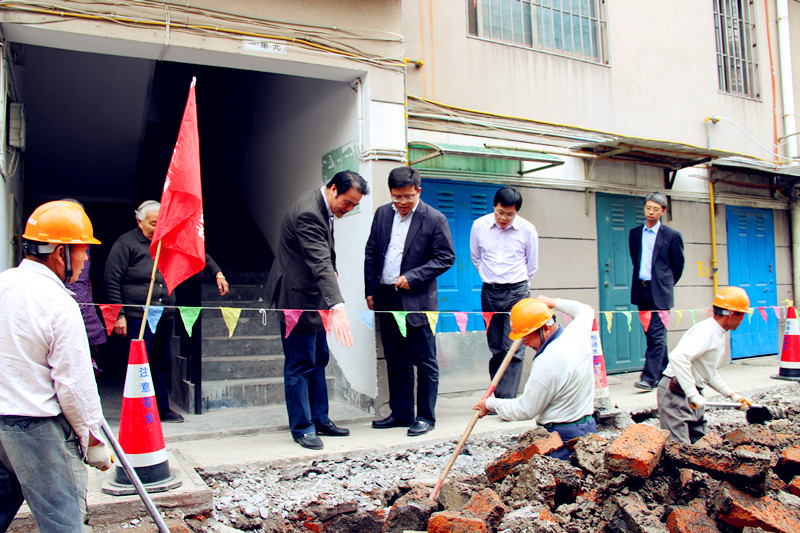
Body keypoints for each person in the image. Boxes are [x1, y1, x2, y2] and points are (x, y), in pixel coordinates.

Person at [0, 201, 113, 532]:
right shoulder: (59, 302)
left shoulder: (4, 283)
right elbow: (74, 384)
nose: (86, 259)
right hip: (35, 427)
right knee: (63, 523)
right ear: (60, 253)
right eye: (82, 250)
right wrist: (92, 439)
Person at [265, 171, 369, 450]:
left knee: (320, 358)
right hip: (297, 299)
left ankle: (320, 419)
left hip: (315, 297)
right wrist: (338, 306)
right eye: (348, 202)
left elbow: (325, 257)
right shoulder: (308, 213)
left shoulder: (324, 207)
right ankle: (302, 428)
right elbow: (319, 259)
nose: (349, 209)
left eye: (355, 205)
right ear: (333, 189)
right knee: (299, 364)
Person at [103, 200, 229, 423]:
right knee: (138, 364)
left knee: (161, 362)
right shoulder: (126, 243)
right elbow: (111, 280)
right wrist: (119, 314)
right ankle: (137, 411)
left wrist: (217, 273)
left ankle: (161, 408)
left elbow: (196, 252)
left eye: (161, 222)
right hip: (138, 314)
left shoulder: (169, 240)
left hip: (164, 313)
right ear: (139, 221)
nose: (158, 227)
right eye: (153, 223)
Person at [365, 166, 455, 437]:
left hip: (417, 300)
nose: (402, 202)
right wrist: (370, 290)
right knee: (395, 357)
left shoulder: (435, 218)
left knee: (425, 360)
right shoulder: (382, 213)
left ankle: (425, 417)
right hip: (386, 296)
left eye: (407, 196)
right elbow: (371, 251)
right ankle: (401, 413)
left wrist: (413, 277)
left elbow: (445, 257)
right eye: (396, 197)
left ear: (418, 191)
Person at [473, 295, 596, 460]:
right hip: (589, 429)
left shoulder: (548, 361)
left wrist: (489, 404)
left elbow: (525, 409)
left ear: (545, 329)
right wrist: (553, 302)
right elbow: (585, 310)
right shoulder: (576, 334)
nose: (525, 343)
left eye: (528, 337)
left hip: (562, 439)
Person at [657, 286, 752, 443]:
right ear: (732, 314)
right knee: (679, 448)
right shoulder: (706, 332)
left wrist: (732, 396)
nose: (742, 320)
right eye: (742, 314)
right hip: (675, 392)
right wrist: (692, 394)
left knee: (700, 444)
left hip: (691, 392)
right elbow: (678, 357)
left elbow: (708, 372)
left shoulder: (718, 334)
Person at [470, 186, 538, 398]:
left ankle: (507, 400)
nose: (504, 218)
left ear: (516, 212)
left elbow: (532, 265)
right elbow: (476, 257)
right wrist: (490, 277)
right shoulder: (479, 226)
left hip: (516, 292)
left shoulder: (527, 229)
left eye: (510, 214)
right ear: (494, 207)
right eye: (500, 212)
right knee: (496, 346)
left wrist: (518, 285)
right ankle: (498, 396)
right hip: (489, 292)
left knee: (513, 346)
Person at [629, 191, 684, 391]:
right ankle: (666, 373)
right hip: (642, 291)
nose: (650, 212)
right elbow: (635, 259)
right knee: (652, 335)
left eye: (655, 209)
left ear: (662, 212)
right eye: (648, 208)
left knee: (657, 336)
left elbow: (678, 266)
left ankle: (649, 378)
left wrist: (665, 283)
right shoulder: (635, 233)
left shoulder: (672, 235)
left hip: (661, 292)